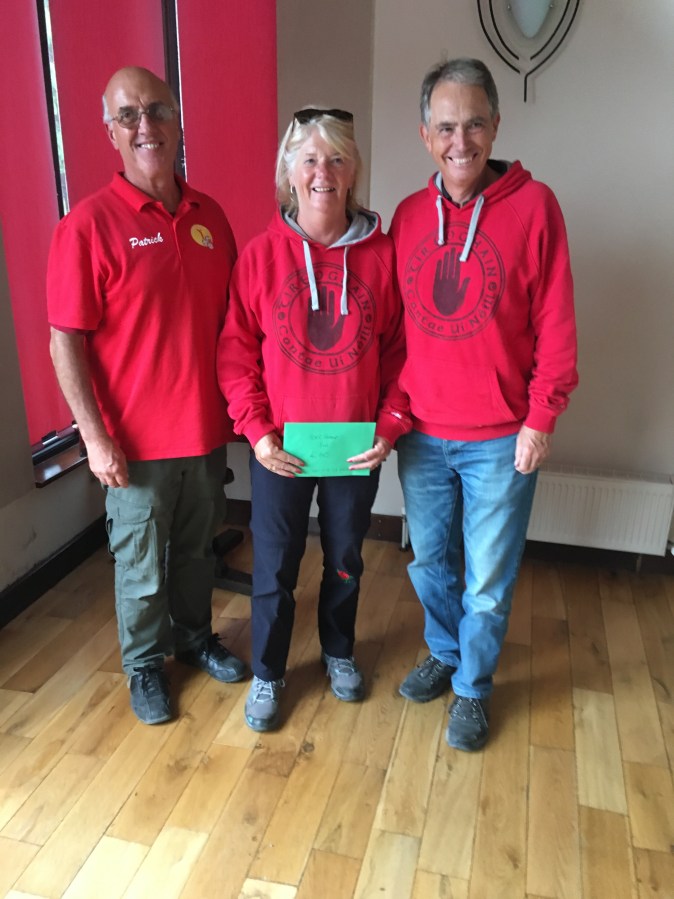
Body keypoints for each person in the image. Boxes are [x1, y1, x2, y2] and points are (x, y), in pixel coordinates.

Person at [47, 66, 246, 726]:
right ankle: (144, 665)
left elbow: (235, 324)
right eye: (128, 115)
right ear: (110, 131)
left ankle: (194, 639)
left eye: (157, 110)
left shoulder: (210, 217)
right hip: (132, 445)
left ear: (178, 120)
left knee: (196, 552)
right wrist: (93, 437)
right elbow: (65, 342)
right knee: (140, 567)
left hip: (204, 432)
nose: (145, 125)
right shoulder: (86, 226)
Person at [390, 59, 578, 751]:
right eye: (445, 127)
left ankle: (472, 687)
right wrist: (391, 415)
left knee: (488, 582)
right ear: (425, 135)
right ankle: (445, 652)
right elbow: (392, 332)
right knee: (429, 564)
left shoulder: (536, 207)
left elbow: (557, 321)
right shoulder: (409, 216)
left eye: (473, 124)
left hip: (502, 435)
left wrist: (541, 417)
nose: (460, 141)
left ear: (496, 126)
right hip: (423, 434)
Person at [218, 108, 411, 732]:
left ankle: (338, 651)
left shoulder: (383, 256)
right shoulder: (259, 257)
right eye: (309, 159)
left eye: (336, 159)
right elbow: (236, 355)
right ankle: (269, 672)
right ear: (289, 172)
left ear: (353, 172)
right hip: (281, 449)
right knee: (274, 565)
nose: (322, 171)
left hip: (354, 447)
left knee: (346, 557)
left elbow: (401, 353)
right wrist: (256, 432)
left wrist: (389, 426)